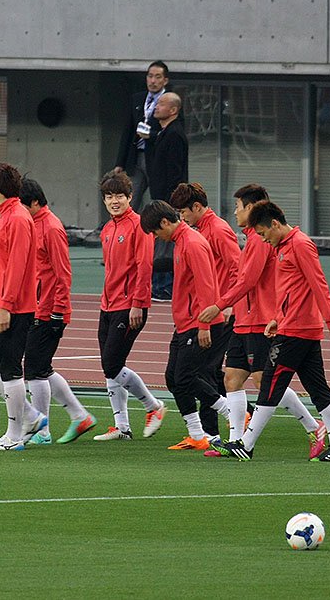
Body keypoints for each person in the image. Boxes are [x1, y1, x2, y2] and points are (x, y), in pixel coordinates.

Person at [198, 185, 326, 457]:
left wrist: (220, 305)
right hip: (244, 320)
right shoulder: (252, 238)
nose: (235, 212)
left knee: (262, 381)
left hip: (259, 321)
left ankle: (313, 426)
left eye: (238, 207)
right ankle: (235, 441)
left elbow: (248, 280)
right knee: (232, 378)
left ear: (252, 208)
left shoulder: (259, 239)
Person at [216, 201, 330, 462]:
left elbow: (318, 284)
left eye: (264, 233)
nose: (264, 240)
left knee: (270, 384)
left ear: (275, 224)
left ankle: (246, 444)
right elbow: (291, 289)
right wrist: (278, 317)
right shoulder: (284, 246)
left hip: (298, 330)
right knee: (317, 389)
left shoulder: (300, 244)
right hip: (296, 326)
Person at [140, 200, 231, 451]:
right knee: (173, 378)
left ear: (165, 222)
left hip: (197, 322)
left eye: (155, 231)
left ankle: (231, 411)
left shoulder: (192, 243)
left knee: (186, 377)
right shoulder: (181, 241)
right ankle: (197, 434)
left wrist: (204, 325)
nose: (156, 237)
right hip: (184, 322)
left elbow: (206, 285)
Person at [19, 177, 98, 445]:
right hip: (37, 307)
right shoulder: (33, 223)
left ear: (34, 202)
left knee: (34, 369)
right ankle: (79, 415)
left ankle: (42, 430)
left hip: (49, 309)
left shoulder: (51, 227)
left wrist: (58, 311)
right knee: (41, 367)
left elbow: (63, 273)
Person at [0, 163, 47, 451]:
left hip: (13, 308)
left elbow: (17, 267)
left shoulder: (17, 218)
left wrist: (6, 306)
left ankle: (14, 436)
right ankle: (30, 417)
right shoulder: (7, 215)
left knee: (10, 370)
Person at [93, 171, 166, 441]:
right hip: (108, 304)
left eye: (119, 196)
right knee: (110, 366)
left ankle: (153, 406)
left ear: (130, 197)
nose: (114, 201)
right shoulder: (107, 229)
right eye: (109, 196)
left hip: (130, 305)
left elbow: (144, 266)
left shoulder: (139, 226)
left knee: (112, 364)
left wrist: (138, 303)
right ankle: (122, 427)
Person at [169, 181, 240, 444]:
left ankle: (213, 431)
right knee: (208, 373)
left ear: (197, 207)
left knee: (204, 372)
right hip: (208, 310)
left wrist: (230, 304)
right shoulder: (199, 230)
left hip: (218, 312)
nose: (182, 218)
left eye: (183, 212)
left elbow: (237, 267)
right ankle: (228, 421)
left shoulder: (218, 230)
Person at [114, 60, 172, 211]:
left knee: (159, 202)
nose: (153, 81)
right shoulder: (137, 99)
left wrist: (150, 135)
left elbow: (172, 133)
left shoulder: (170, 101)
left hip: (157, 158)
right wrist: (120, 162)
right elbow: (128, 131)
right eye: (150, 76)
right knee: (130, 200)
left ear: (165, 80)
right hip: (136, 156)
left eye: (158, 77)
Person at [149, 92, 190, 301]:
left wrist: (169, 201)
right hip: (161, 197)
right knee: (161, 241)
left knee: (166, 242)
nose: (156, 106)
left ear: (173, 110)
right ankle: (160, 285)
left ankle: (164, 286)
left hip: (168, 199)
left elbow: (175, 171)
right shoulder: (164, 133)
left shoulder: (174, 134)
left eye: (162, 103)